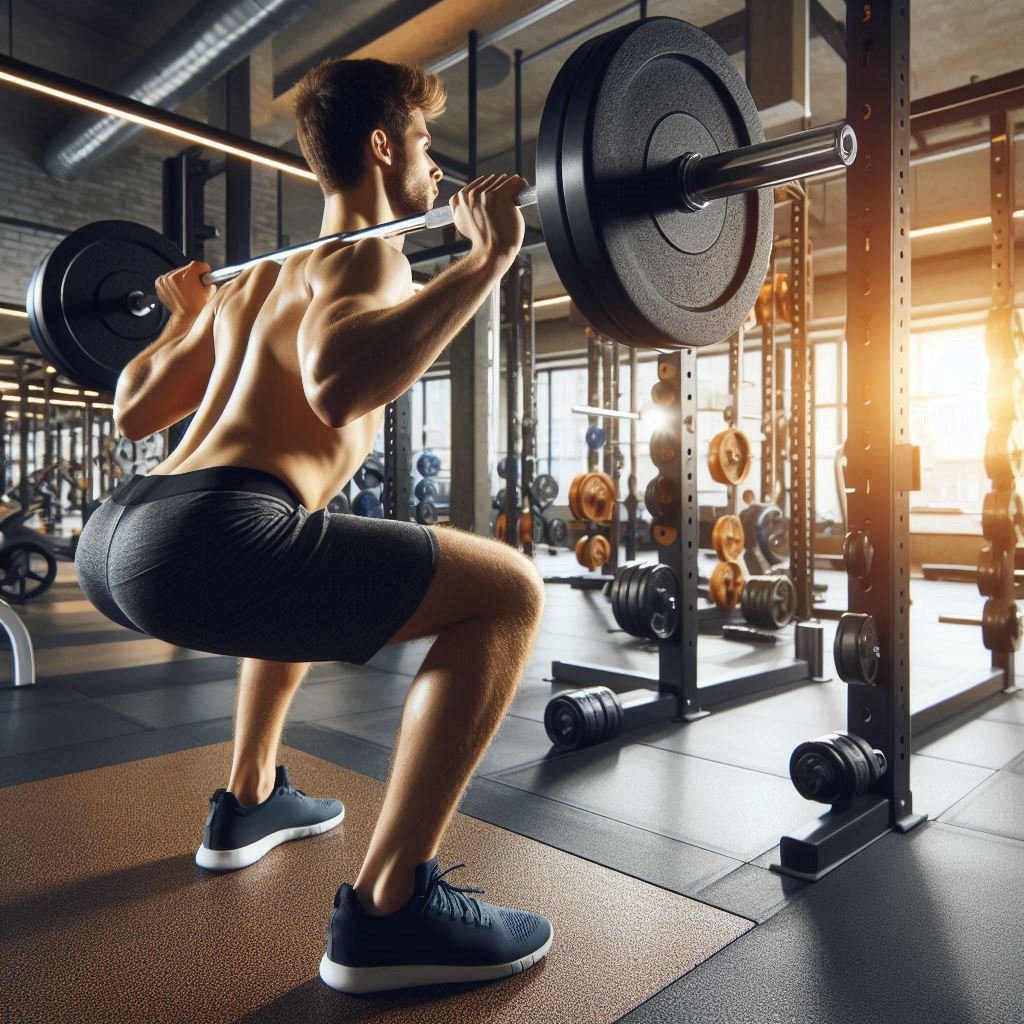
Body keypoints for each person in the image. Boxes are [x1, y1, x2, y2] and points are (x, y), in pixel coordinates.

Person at [74, 57, 553, 994]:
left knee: (306, 539)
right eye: (423, 145)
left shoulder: (258, 283)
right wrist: (485, 260)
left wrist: (186, 320)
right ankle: (390, 910)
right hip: (209, 537)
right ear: (382, 147)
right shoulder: (369, 252)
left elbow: (133, 410)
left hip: (119, 536)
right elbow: (339, 386)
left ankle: (250, 798)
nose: (435, 171)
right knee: (508, 593)